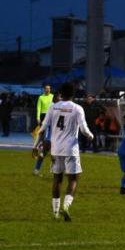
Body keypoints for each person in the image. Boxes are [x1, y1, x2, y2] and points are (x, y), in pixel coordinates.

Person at [32, 83, 94, 222]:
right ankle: (65, 206)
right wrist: (91, 136)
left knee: (57, 178)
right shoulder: (78, 108)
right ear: (73, 94)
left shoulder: (53, 107)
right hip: (70, 149)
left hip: (56, 149)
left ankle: (55, 212)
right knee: (73, 178)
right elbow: (84, 129)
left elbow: (42, 128)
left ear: (60, 93)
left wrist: (36, 146)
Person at [32, 93, 60, 176]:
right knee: (50, 155)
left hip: (53, 138)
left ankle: (38, 170)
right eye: (59, 98)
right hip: (52, 138)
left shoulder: (53, 108)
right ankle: (53, 169)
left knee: (47, 155)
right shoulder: (54, 108)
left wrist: (35, 145)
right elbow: (43, 128)